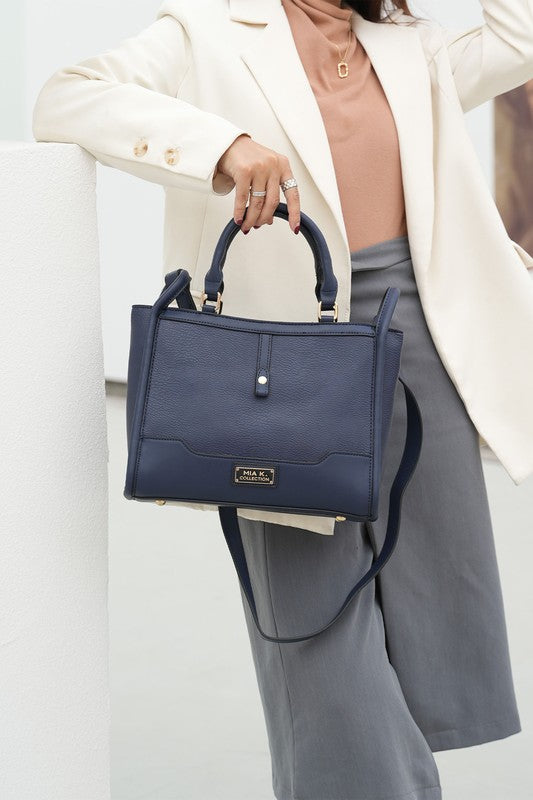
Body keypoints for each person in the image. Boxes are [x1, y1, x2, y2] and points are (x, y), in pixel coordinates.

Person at [32, 1, 533, 798]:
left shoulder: (412, 47)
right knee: (312, 619)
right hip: (277, 355)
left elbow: (518, 37)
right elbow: (66, 97)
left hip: (417, 338)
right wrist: (221, 146)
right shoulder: (204, 31)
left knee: (433, 608)